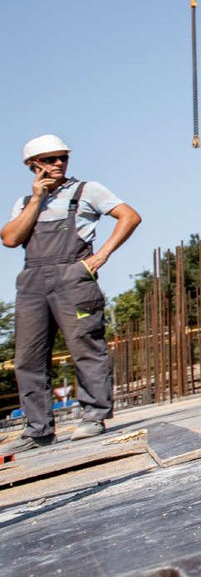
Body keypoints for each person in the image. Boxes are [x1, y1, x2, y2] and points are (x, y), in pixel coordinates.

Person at [1, 135, 141, 451]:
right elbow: (10, 239)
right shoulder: (24, 204)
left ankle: (93, 416)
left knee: (84, 345)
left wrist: (100, 256)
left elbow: (129, 216)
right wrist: (37, 199)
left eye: (62, 157)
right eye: (50, 159)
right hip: (33, 281)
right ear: (32, 165)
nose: (59, 163)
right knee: (27, 357)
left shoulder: (86, 191)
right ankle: (38, 430)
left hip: (74, 277)